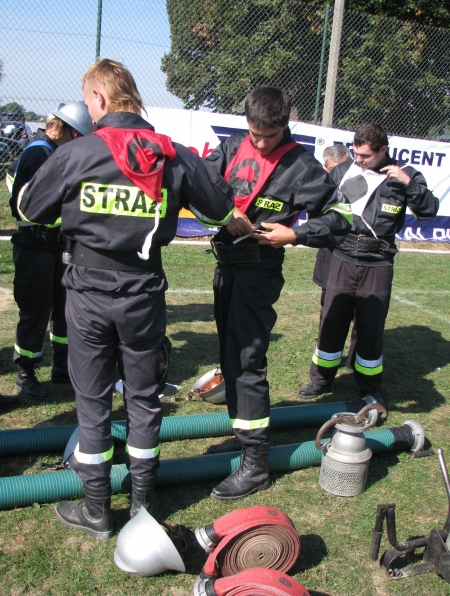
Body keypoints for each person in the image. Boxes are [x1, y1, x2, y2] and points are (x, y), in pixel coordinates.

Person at [18, 59, 234, 540]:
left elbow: (29, 209)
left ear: (98, 99)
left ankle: (97, 509)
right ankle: (143, 502)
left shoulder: (79, 152)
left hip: (87, 293)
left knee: (93, 399)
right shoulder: (173, 155)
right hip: (144, 292)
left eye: (88, 102)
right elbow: (220, 210)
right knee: (143, 398)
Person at [204, 85, 352, 501]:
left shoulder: (301, 165)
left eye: (270, 136)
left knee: (246, 361)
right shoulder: (232, 146)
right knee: (230, 359)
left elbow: (342, 216)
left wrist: (296, 234)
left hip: (259, 271)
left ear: (286, 124)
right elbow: (200, 185)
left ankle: (255, 465)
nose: (261, 144)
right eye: (255, 135)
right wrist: (225, 212)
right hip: (226, 266)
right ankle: (243, 437)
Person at [299, 123, 439, 400]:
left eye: (365, 156)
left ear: (383, 150)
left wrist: (408, 184)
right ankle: (321, 380)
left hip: (378, 263)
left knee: (370, 328)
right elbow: (319, 205)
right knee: (332, 321)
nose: (359, 160)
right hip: (342, 258)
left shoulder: (405, 174)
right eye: (356, 153)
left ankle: (369, 388)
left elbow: (429, 210)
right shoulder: (343, 170)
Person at [9, 102, 94, 400]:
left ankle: (61, 365)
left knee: (63, 306)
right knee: (36, 310)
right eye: (79, 136)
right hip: (36, 245)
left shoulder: (54, 153)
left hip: (55, 244)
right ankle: (25, 372)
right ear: (66, 131)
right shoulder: (39, 154)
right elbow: (36, 206)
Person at [304, 144, 356, 394]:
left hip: (356, 256)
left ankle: (355, 367)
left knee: (358, 317)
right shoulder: (325, 183)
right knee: (332, 314)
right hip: (333, 253)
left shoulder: (356, 177)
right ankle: (323, 377)